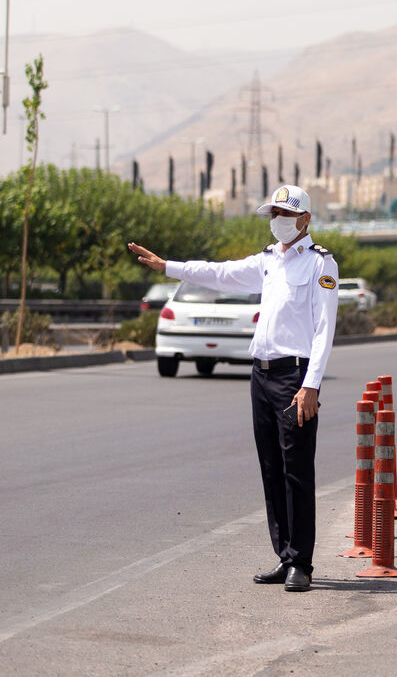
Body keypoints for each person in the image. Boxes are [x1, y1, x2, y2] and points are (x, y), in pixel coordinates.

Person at [127, 184, 338, 593]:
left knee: (296, 472)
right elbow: (219, 272)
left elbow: (324, 330)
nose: (277, 220)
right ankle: (284, 555)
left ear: (305, 219)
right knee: (271, 469)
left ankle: (301, 563)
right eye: (273, 213)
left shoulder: (320, 264)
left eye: (284, 213)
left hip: (294, 378)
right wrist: (169, 266)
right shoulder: (267, 261)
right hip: (261, 375)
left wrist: (310, 385)